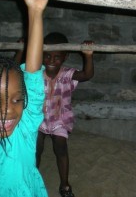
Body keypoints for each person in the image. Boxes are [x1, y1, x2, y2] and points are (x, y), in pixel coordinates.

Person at [0, 0, 50, 196]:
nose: (9, 109)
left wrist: (35, 12)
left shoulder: (24, 129)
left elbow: (34, 75)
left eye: (17, 100)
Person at [35, 33, 94, 197]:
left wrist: (88, 56)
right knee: (36, 150)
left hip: (60, 119)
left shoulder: (68, 74)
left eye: (57, 57)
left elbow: (87, 75)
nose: (51, 60)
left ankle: (64, 184)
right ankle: (32, 178)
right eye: (46, 56)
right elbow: (18, 69)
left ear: (65, 57)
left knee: (60, 149)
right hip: (39, 119)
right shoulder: (37, 73)